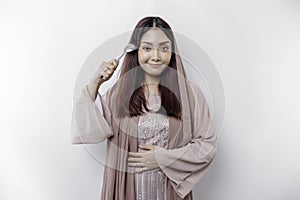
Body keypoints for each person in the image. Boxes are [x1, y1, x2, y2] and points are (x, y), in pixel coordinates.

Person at [71, 16, 218, 200]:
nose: (156, 56)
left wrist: (163, 159)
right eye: (147, 48)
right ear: (136, 51)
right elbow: (89, 132)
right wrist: (95, 83)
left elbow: (207, 145)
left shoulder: (190, 93)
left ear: (172, 52)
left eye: (164, 48)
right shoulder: (119, 94)